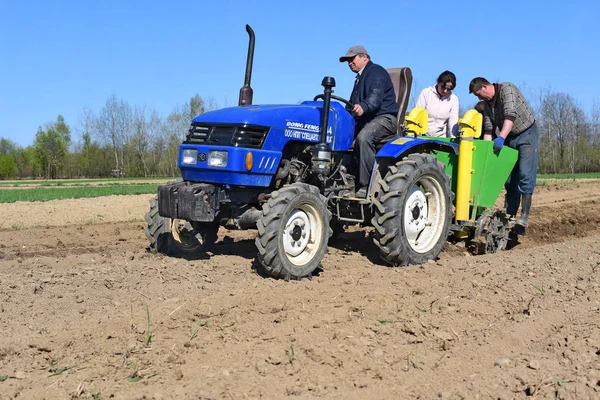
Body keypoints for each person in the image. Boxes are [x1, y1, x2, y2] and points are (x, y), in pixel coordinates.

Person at [469, 77, 539, 235]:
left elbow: (510, 116)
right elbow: (488, 130)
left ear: (486, 87)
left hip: (525, 133)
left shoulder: (507, 89)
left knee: (525, 174)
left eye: (479, 94)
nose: (479, 98)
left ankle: (525, 217)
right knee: (509, 179)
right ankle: (510, 216)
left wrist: (500, 137)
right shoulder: (487, 105)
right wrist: (486, 153)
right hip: (508, 137)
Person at [339, 46, 398, 197]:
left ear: (364, 57)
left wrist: (364, 106)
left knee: (364, 138)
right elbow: (351, 104)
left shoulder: (375, 71)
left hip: (385, 118)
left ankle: (367, 186)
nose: (350, 63)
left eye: (352, 59)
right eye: (348, 61)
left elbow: (375, 97)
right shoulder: (360, 78)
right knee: (338, 136)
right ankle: (342, 180)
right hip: (367, 119)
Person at [415, 71, 459, 137]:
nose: (445, 91)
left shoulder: (454, 99)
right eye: (443, 87)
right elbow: (417, 115)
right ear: (438, 83)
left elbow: (453, 120)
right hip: (423, 136)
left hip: (441, 138)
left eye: (449, 89)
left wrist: (453, 138)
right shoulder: (426, 93)